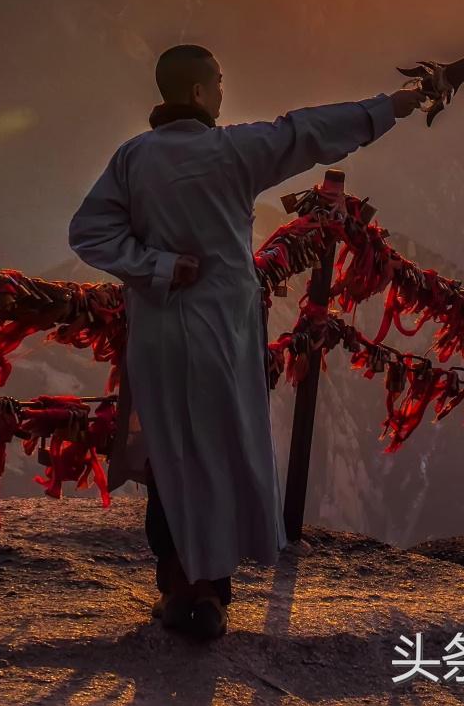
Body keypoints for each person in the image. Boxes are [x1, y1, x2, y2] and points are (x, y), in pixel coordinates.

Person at [68, 43, 425, 638]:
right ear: (202, 93)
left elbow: (89, 231)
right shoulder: (233, 151)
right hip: (222, 335)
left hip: (159, 334)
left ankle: (181, 585)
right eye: (220, 83)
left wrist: (155, 265)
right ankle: (210, 592)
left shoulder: (132, 158)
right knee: (221, 450)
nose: (225, 92)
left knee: (170, 455)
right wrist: (392, 106)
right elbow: (308, 132)